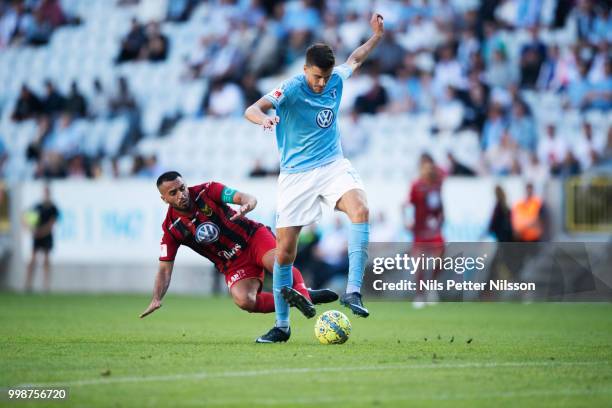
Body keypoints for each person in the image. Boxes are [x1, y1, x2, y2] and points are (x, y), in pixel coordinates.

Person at [244, 13, 385, 343]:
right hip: (296, 176)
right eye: (317, 77)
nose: (322, 83)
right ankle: (282, 326)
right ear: (306, 69)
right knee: (284, 254)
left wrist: (376, 37)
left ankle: (352, 291)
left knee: (361, 210)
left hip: (333, 165)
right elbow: (253, 108)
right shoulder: (291, 88)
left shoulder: (336, 79)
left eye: (326, 77)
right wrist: (262, 120)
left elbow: (355, 58)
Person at [139, 172, 337, 329]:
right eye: (173, 193)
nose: (181, 194)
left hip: (252, 238)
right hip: (232, 263)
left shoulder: (207, 191)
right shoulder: (171, 228)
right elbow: (165, 268)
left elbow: (244, 197)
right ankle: (302, 299)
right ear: (164, 198)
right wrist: (157, 298)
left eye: (182, 188)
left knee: (278, 264)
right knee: (245, 300)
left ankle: (305, 296)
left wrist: (247, 204)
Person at [402, 153, 445, 309]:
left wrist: (441, 220)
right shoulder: (416, 186)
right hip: (419, 231)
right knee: (419, 263)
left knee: (440, 255)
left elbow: (440, 206)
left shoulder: (437, 185)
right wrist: (406, 221)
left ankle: (431, 286)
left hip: (433, 230)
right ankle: (419, 294)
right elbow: (407, 205)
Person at [24, 184, 59, 292]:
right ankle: (28, 285)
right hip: (37, 235)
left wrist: (41, 232)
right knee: (33, 259)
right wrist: (31, 229)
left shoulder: (53, 208)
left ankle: (46, 285)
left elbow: (52, 223)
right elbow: (26, 218)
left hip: (46, 235)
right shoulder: (37, 207)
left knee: (46, 260)